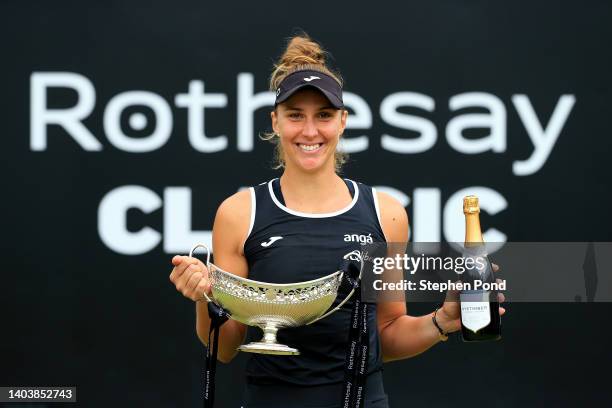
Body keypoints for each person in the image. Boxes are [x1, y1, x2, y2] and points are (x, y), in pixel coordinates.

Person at [169, 33, 505, 408]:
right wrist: (205, 295)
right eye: (295, 115)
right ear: (275, 122)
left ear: (342, 121)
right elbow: (226, 347)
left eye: (323, 116)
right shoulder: (239, 213)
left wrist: (442, 320)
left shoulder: (386, 213)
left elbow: (386, 334)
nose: (310, 131)